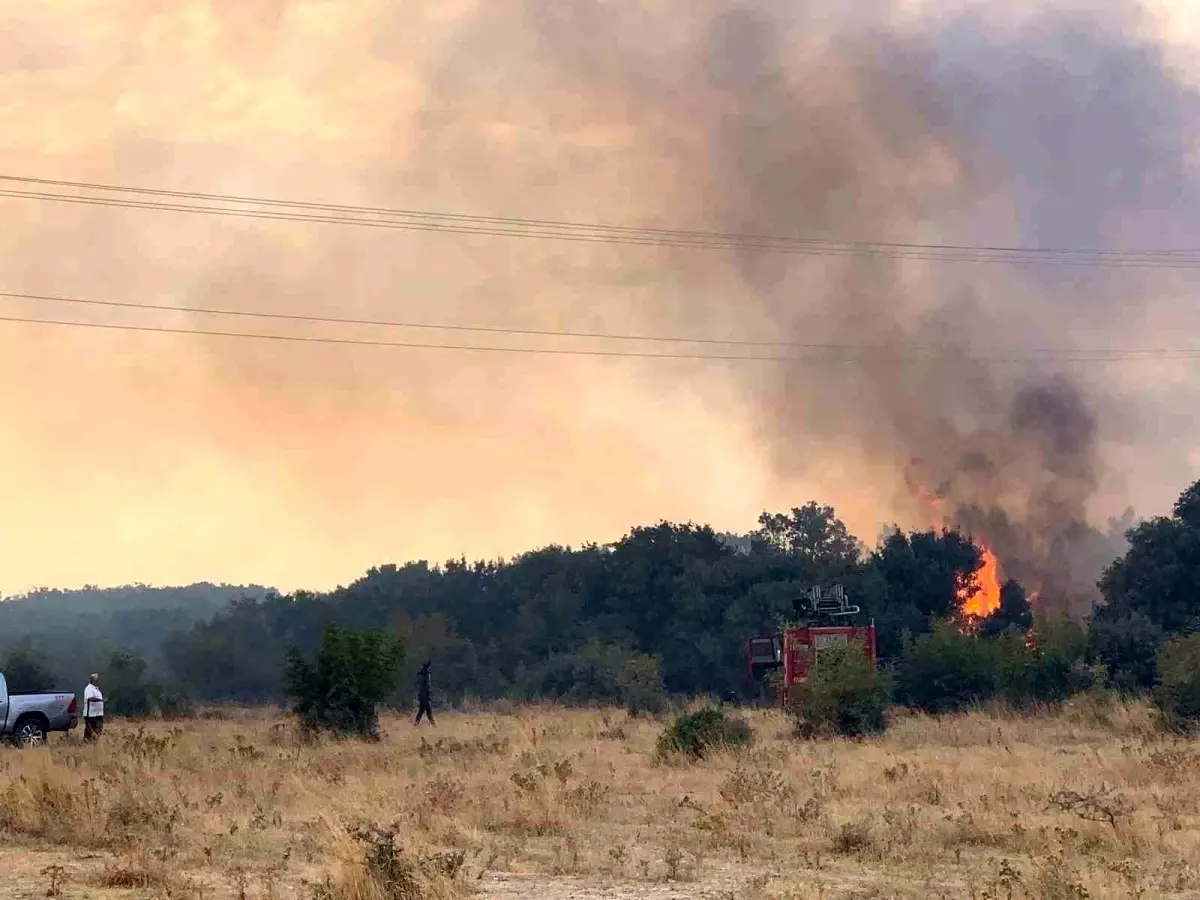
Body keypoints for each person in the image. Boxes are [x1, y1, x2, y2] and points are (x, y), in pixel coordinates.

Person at [83, 673, 104, 742]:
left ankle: (88, 743)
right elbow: (90, 698)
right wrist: (100, 700)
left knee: (97, 728)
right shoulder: (89, 688)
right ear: (93, 680)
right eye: (97, 679)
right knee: (91, 729)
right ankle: (90, 741)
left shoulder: (97, 689)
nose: (98, 681)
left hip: (98, 713)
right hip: (90, 714)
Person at [414, 661, 434, 725]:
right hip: (425, 695)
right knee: (425, 710)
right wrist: (429, 695)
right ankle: (433, 725)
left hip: (421, 695)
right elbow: (428, 686)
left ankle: (433, 725)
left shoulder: (420, 674)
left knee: (425, 710)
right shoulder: (427, 675)